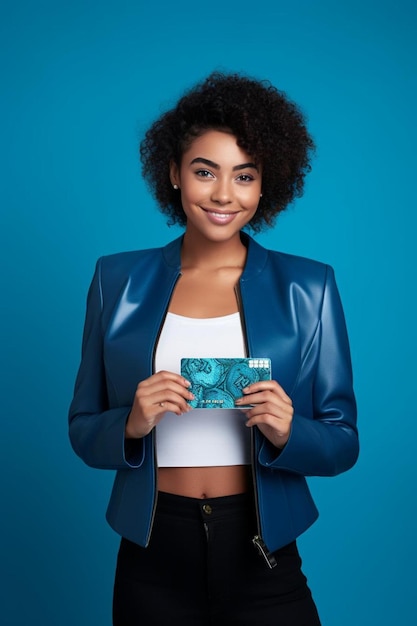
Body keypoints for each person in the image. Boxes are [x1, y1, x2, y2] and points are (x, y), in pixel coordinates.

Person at [68, 71, 359, 625]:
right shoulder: (116, 281)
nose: (224, 194)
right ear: (174, 173)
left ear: (263, 185)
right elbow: (82, 428)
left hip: (262, 544)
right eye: (206, 171)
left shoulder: (310, 287)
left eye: (244, 176)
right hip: (152, 547)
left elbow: (344, 443)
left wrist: (287, 430)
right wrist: (130, 422)